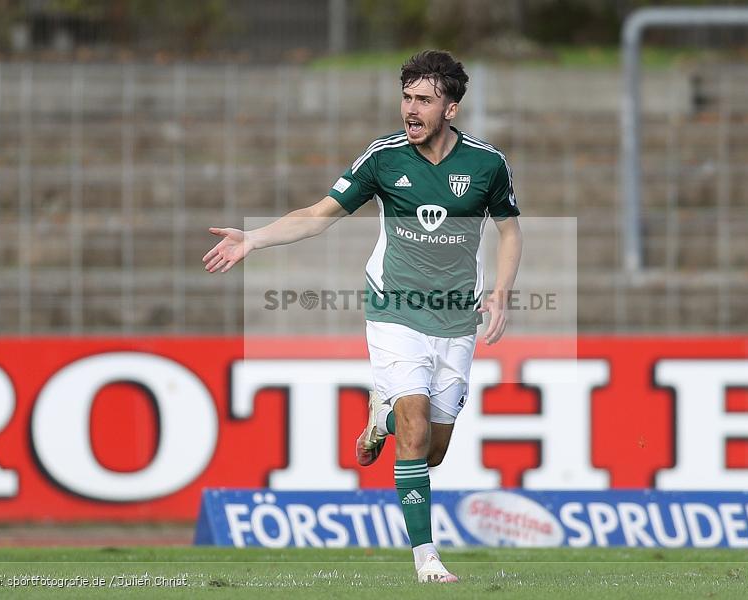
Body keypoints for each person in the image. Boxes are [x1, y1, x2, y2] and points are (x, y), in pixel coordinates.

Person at [203, 50, 522, 583]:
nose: (411, 110)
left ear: (452, 108)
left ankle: (382, 415)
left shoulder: (487, 164)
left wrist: (502, 291)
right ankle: (428, 560)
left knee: (431, 450)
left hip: (454, 318)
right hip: (394, 310)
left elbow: (510, 230)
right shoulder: (383, 158)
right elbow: (317, 215)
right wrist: (254, 238)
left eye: (425, 100)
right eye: (406, 97)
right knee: (416, 432)